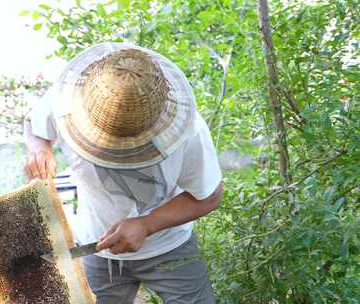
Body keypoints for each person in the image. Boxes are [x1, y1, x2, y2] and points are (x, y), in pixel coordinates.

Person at [24, 42, 223, 304]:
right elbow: (34, 124)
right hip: (96, 247)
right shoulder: (65, 99)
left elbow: (210, 196)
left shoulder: (190, 132)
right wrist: (39, 150)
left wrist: (147, 224)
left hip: (169, 247)